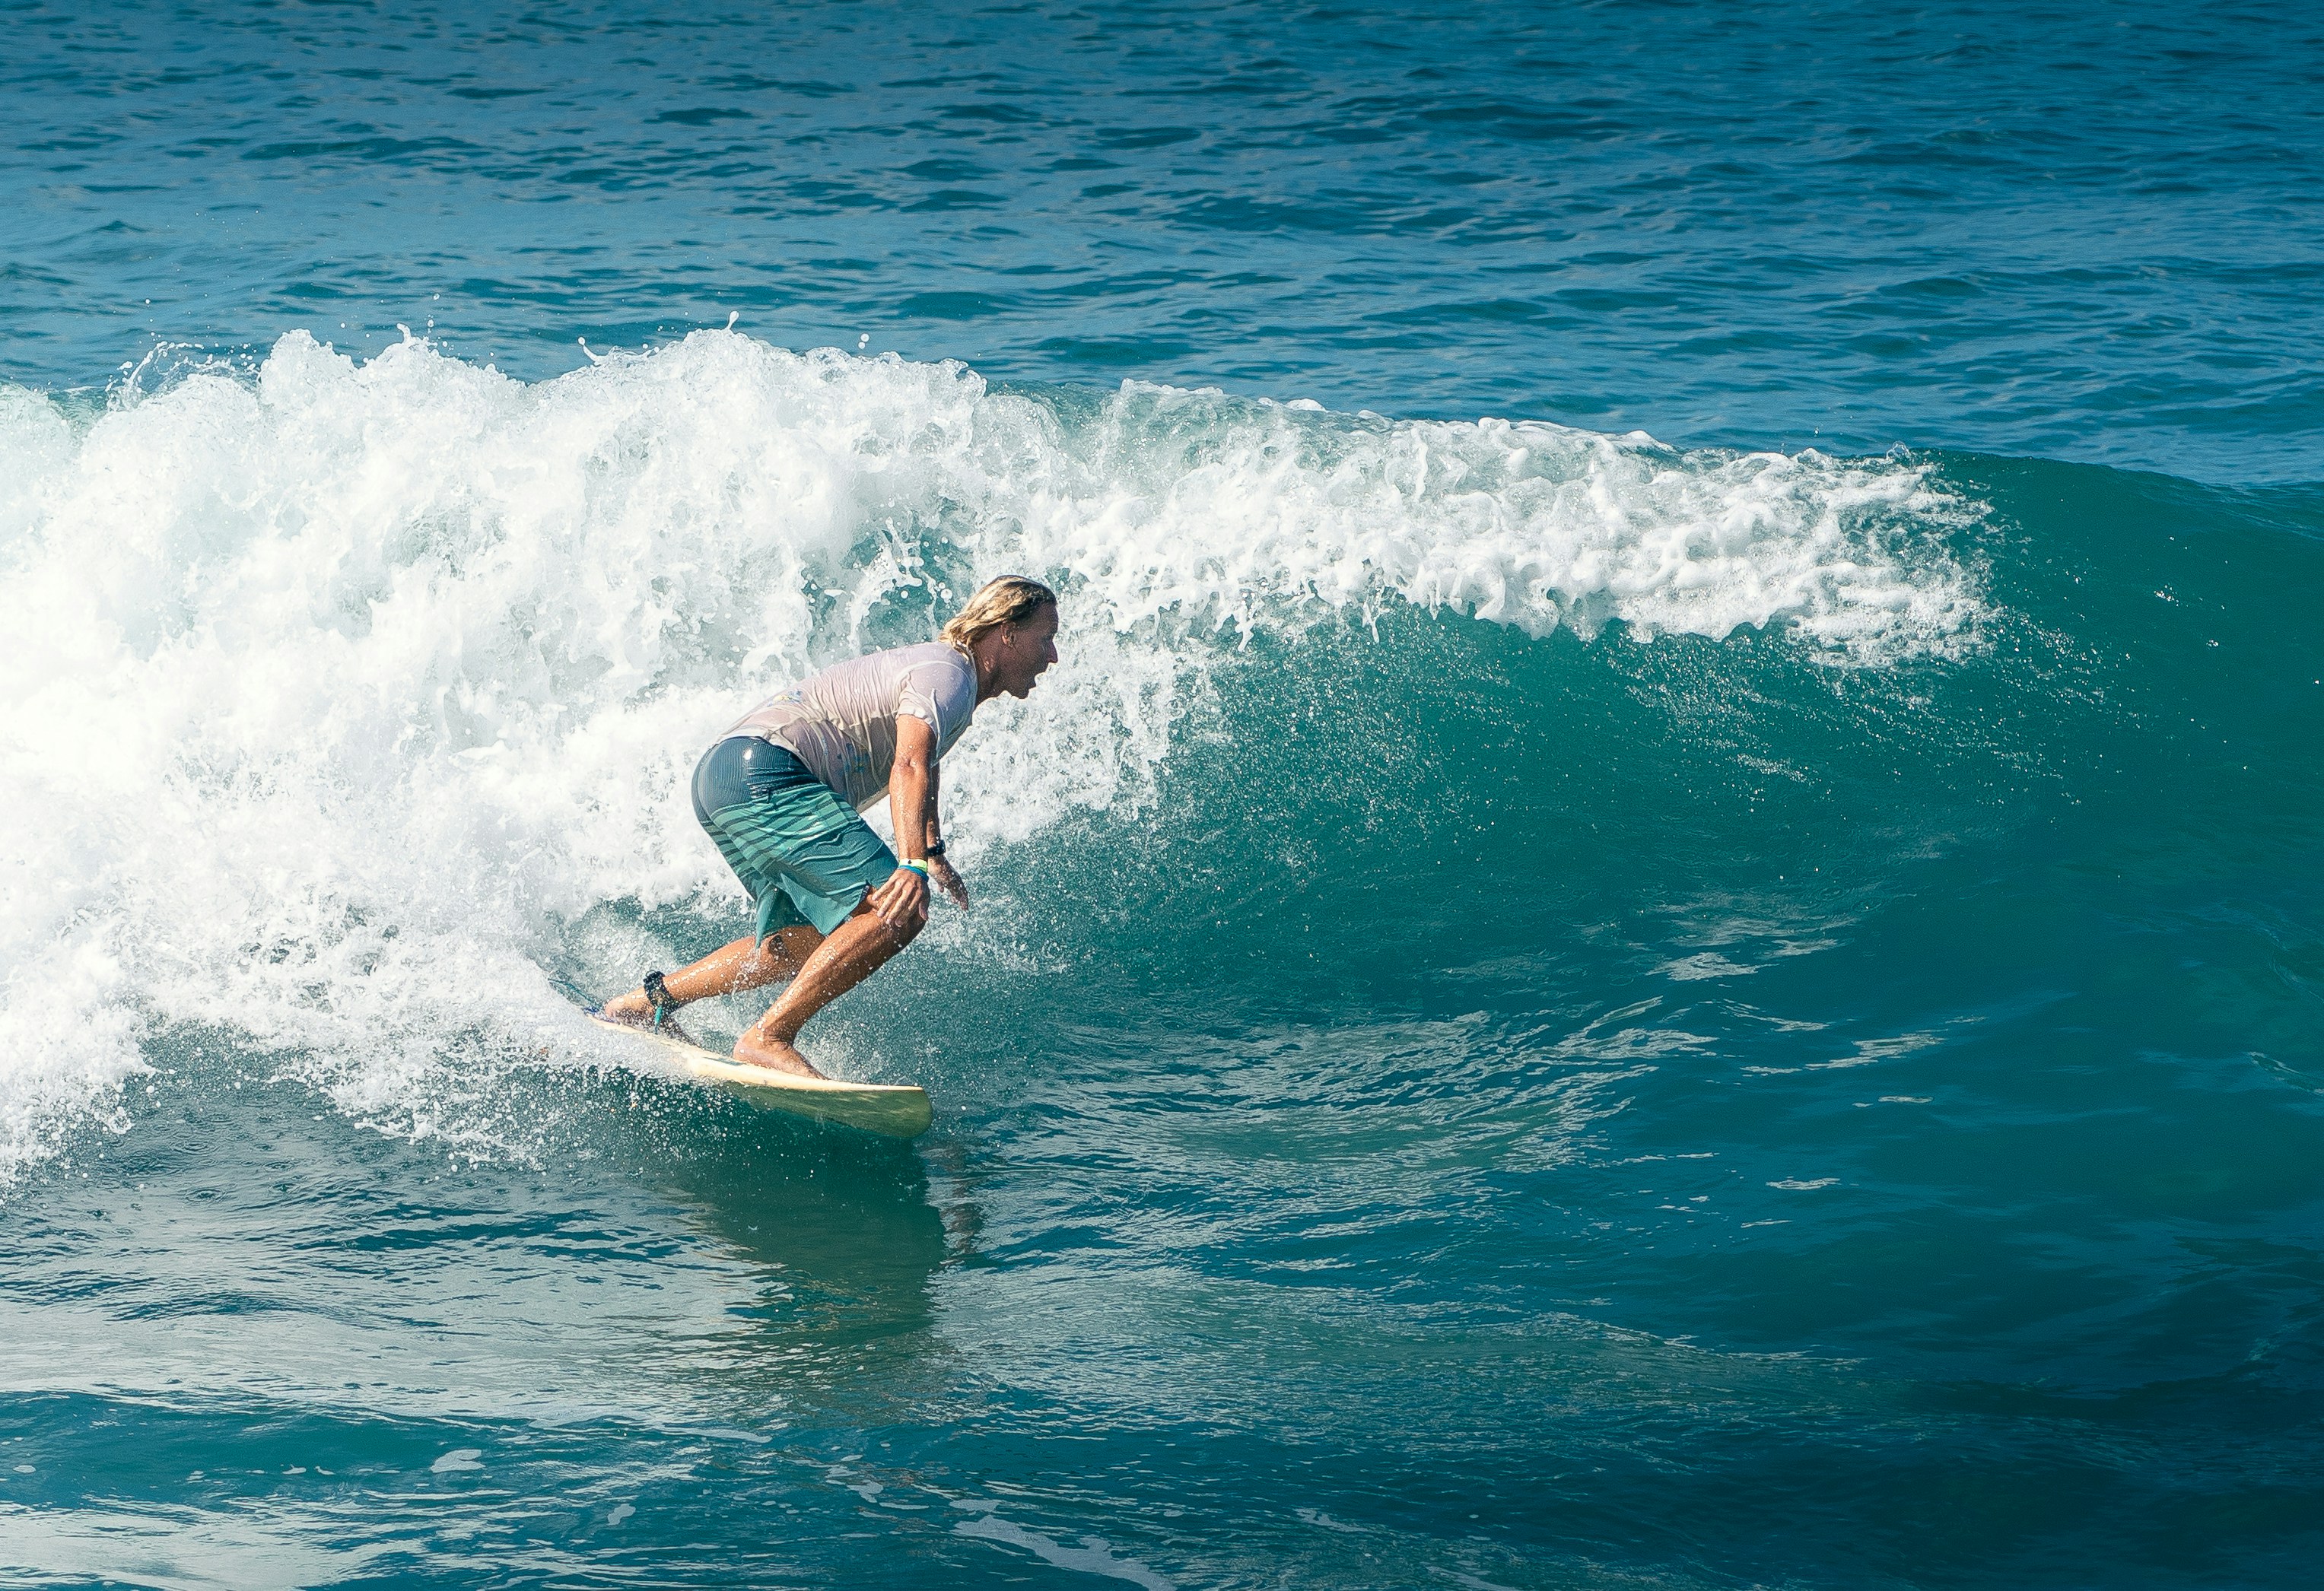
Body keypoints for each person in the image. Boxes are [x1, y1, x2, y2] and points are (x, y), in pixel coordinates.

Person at [599, 576, 1060, 1076]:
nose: (1052, 656)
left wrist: (931, 849)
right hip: (766, 772)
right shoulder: (949, 672)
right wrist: (910, 866)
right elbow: (909, 764)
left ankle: (643, 1005)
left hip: (722, 779)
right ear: (1006, 632)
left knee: (797, 942)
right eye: (1045, 639)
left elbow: (924, 759)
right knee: (896, 908)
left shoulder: (948, 680)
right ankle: (768, 1037)